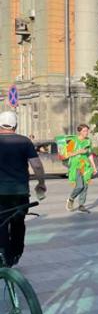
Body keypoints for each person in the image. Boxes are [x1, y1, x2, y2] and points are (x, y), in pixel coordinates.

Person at [0, 111, 46, 266]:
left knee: (1, 223)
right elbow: (36, 165)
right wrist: (41, 183)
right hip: (20, 192)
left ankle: (4, 255)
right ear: (15, 125)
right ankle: (16, 253)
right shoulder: (24, 141)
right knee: (18, 223)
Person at [66, 124, 98, 213]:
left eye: (87, 131)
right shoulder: (73, 141)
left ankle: (81, 205)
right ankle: (71, 199)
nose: (86, 132)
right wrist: (78, 151)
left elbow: (90, 154)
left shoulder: (88, 141)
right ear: (79, 132)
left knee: (85, 186)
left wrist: (94, 167)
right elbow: (67, 154)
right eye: (84, 131)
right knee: (80, 186)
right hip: (76, 166)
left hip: (85, 166)